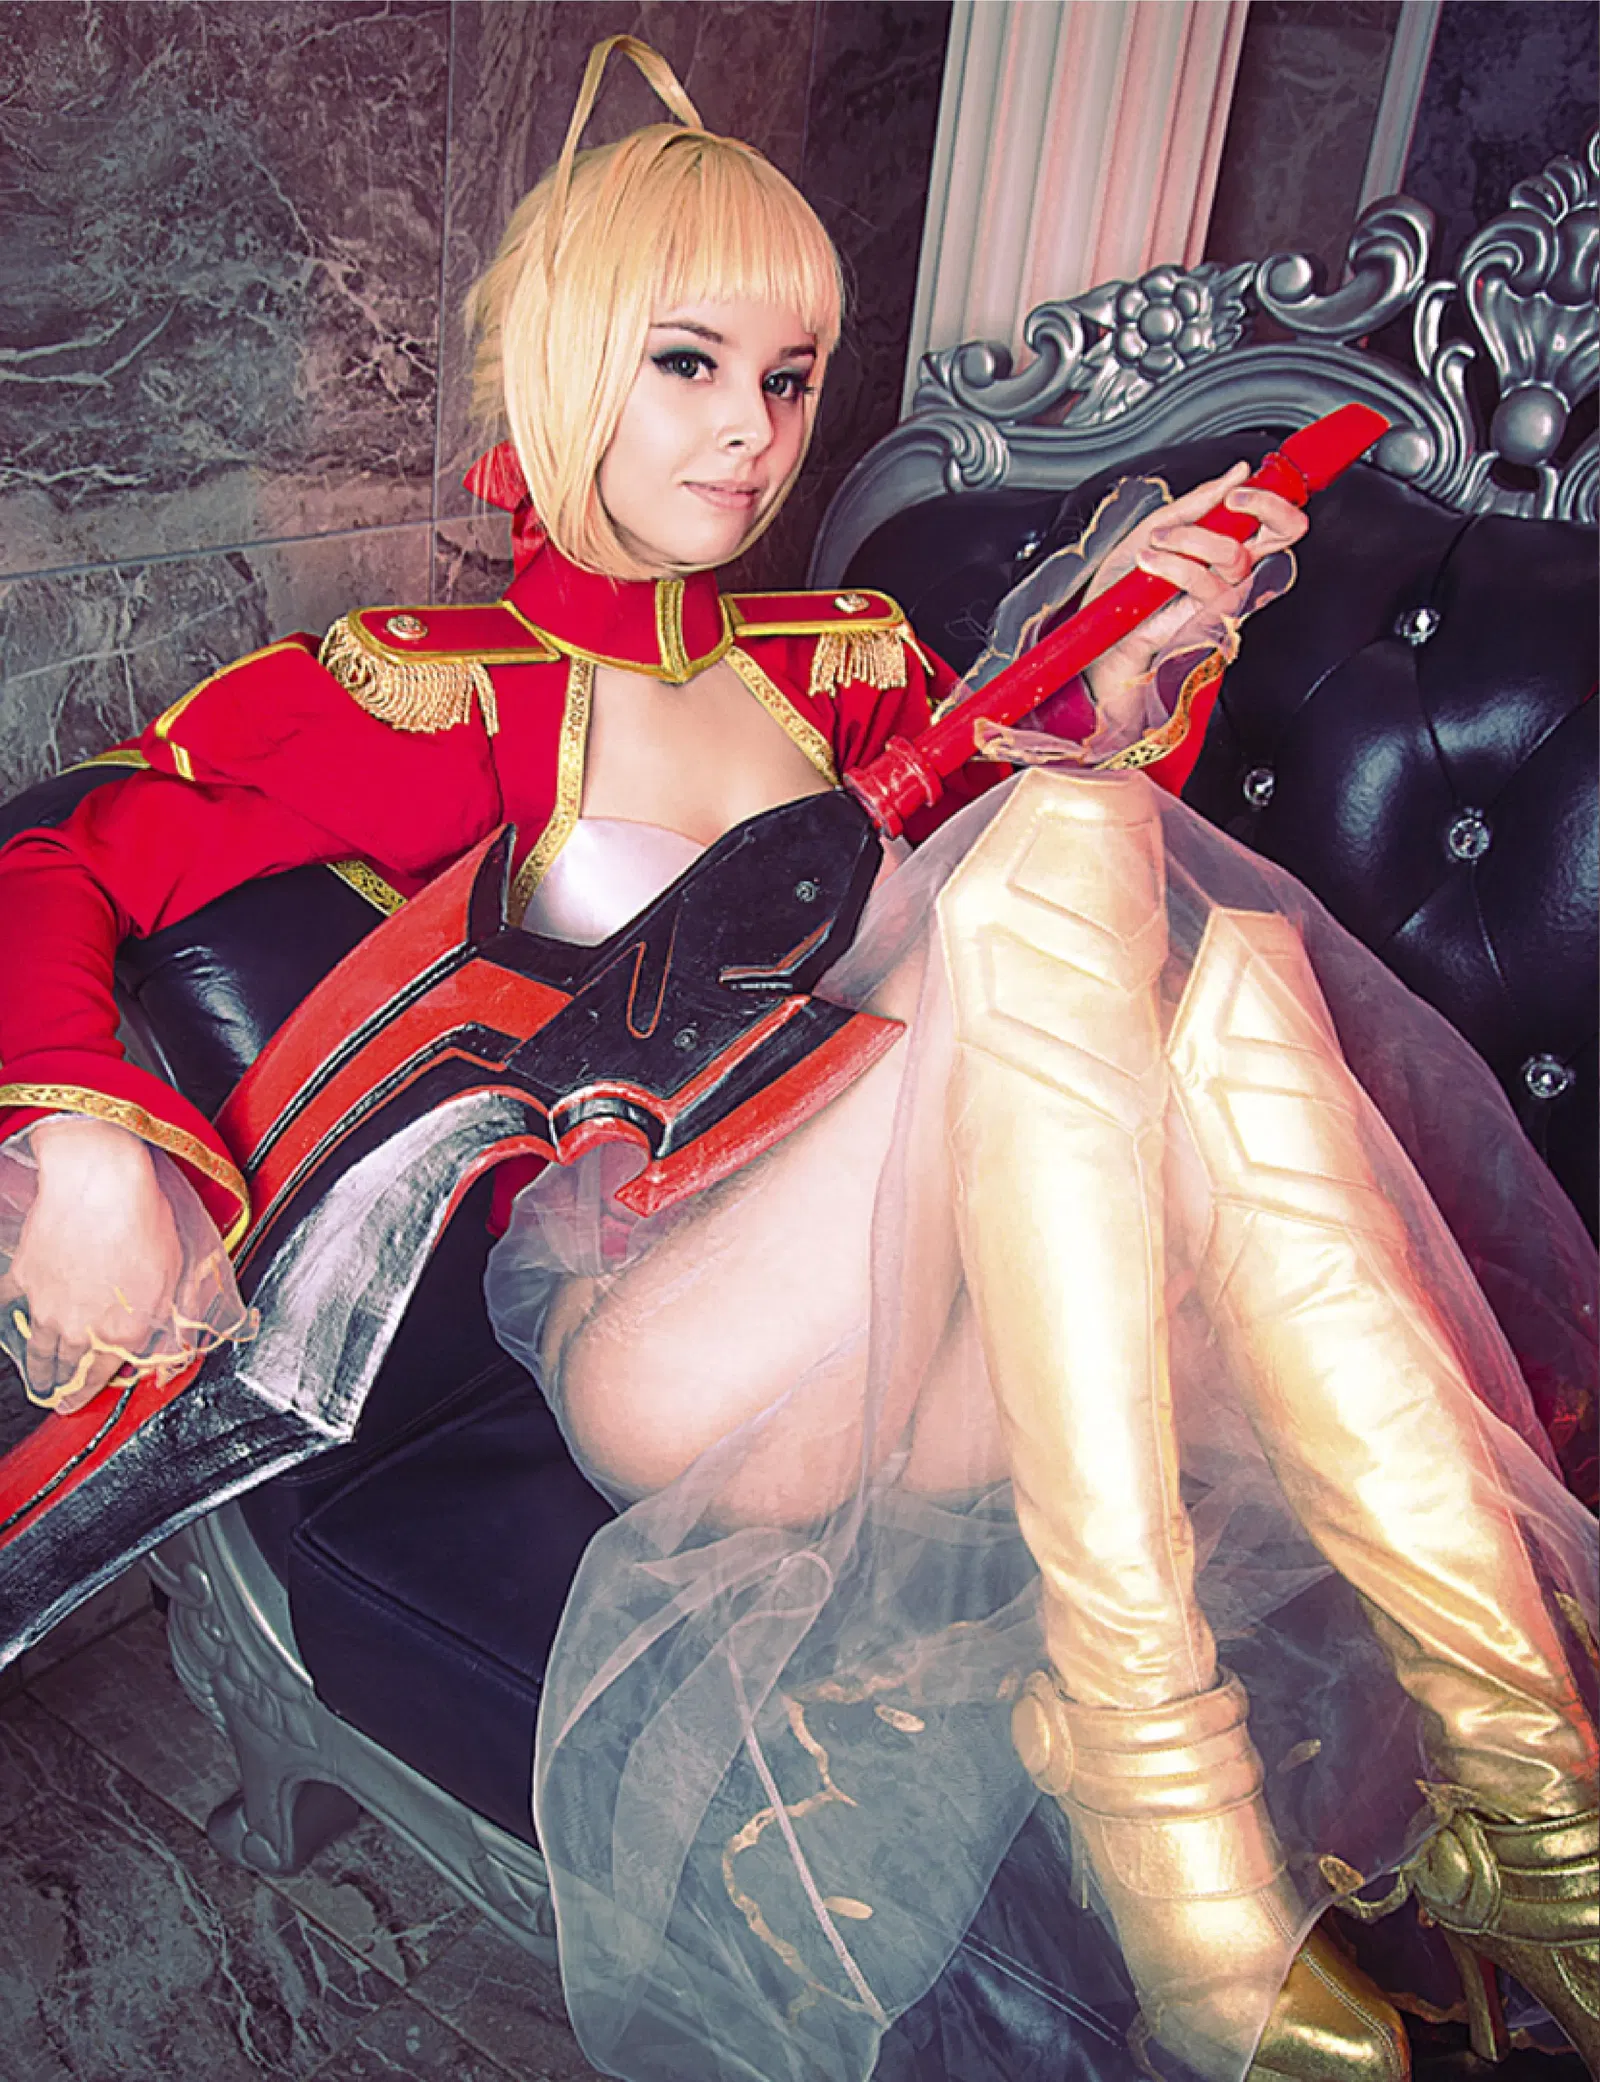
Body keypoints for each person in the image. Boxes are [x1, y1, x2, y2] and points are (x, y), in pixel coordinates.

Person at [0, 37, 1594, 2082]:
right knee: (1092, 870)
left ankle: (1514, 1804)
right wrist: (87, 1140)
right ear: (567, 364)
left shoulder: (839, 665)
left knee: (1195, 967)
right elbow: (59, 853)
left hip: (944, 1317)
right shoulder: (433, 692)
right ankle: (1341, 1798)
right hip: (674, 1342)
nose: (751, 433)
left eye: (786, 375)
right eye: (687, 364)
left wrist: (1121, 672)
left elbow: (1002, 934)